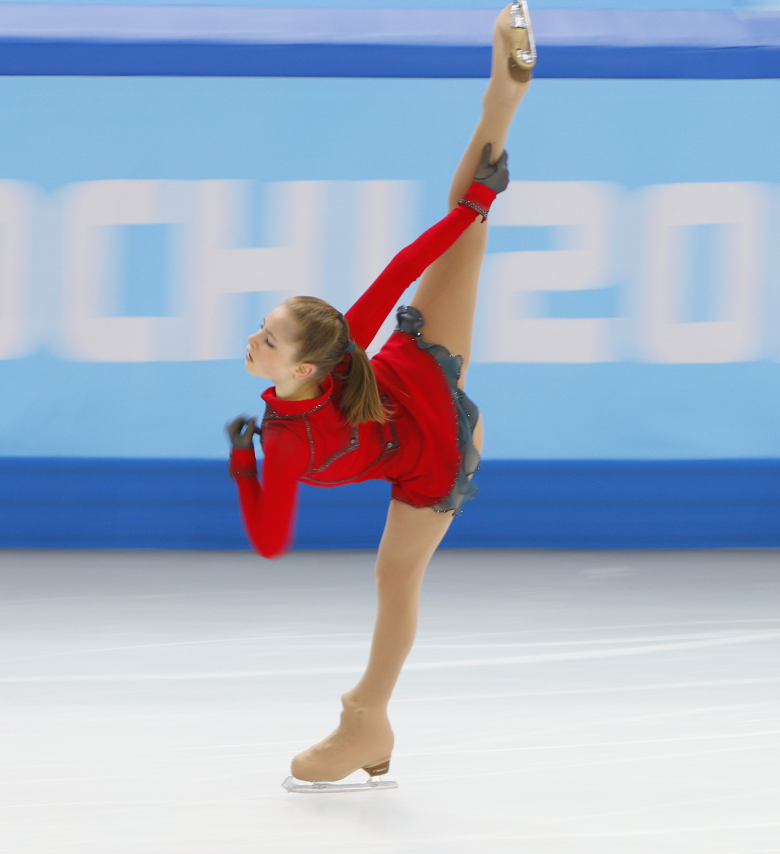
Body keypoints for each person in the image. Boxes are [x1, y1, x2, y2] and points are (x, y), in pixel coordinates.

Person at [226, 3, 534, 789]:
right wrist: (473, 207)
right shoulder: (340, 348)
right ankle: (500, 107)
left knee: (396, 582)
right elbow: (400, 267)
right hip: (413, 377)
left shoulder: (291, 437)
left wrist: (242, 465)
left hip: (429, 447)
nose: (252, 339)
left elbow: (267, 536)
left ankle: (368, 719)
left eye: (266, 336)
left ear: (301, 369)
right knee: (467, 234)